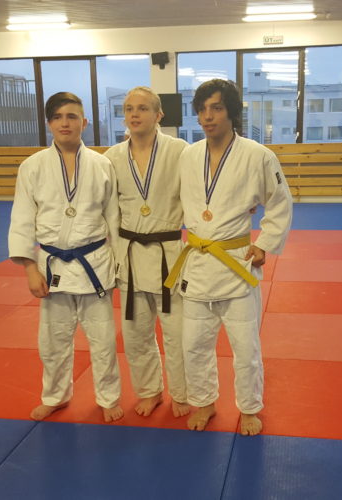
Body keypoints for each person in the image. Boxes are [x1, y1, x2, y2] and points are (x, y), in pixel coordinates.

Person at [165, 79, 292, 436]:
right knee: (194, 346)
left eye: (217, 108)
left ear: (231, 112)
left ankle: (249, 408)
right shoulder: (188, 155)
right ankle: (204, 402)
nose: (208, 116)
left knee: (245, 348)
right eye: (203, 109)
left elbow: (280, 201)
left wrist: (264, 243)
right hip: (197, 262)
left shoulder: (258, 155)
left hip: (236, 262)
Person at [8, 91, 123, 423]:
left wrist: (119, 264)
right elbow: (22, 218)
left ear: (84, 122)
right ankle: (55, 396)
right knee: (53, 341)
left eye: (72, 116)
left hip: (94, 265)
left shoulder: (102, 165)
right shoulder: (32, 167)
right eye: (58, 117)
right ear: (49, 123)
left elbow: (113, 218)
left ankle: (108, 397)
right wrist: (30, 268)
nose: (65, 123)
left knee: (103, 341)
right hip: (52, 266)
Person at [104, 87, 189, 417]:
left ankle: (181, 393)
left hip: (169, 255)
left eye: (142, 108)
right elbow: (105, 208)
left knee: (177, 334)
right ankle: (149, 391)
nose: (134, 114)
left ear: (158, 115)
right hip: (129, 255)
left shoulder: (180, 150)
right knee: (136, 333)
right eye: (128, 109)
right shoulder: (112, 157)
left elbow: (201, 192)